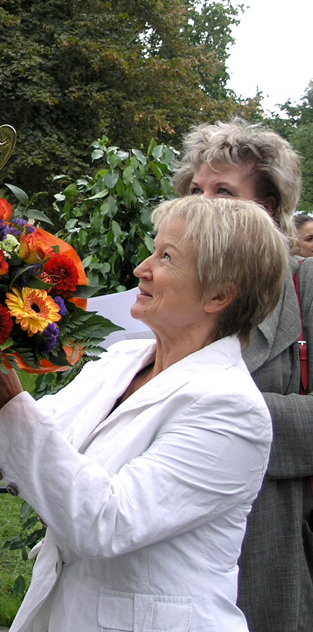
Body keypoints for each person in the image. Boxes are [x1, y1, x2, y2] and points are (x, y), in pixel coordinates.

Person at [0, 196, 288, 632]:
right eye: (154, 249)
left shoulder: (231, 409)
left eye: (167, 257)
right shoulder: (124, 360)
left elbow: (108, 521)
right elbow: (24, 439)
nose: (142, 268)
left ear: (219, 295)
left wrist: (9, 401)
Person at [173, 119, 313, 631]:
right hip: (169, 532)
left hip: (267, 543)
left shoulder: (305, 286)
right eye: (196, 189)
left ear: (268, 208)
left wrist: (213, 413)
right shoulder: (165, 282)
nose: (203, 203)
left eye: (224, 191)